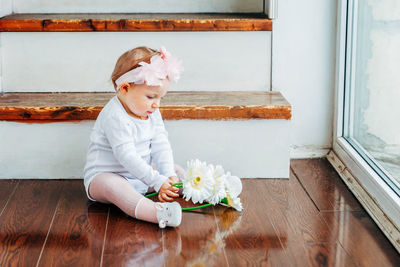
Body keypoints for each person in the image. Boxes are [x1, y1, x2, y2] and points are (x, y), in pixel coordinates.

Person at [83, 46, 184, 228]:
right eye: (151, 96)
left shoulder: (151, 112)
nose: (156, 105)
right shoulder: (115, 116)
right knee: (115, 187)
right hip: (106, 177)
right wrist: (156, 180)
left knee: (175, 170)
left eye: (161, 98)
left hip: (139, 175)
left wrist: (167, 175)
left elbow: (161, 144)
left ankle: (209, 188)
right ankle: (159, 213)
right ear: (125, 88)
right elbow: (126, 156)